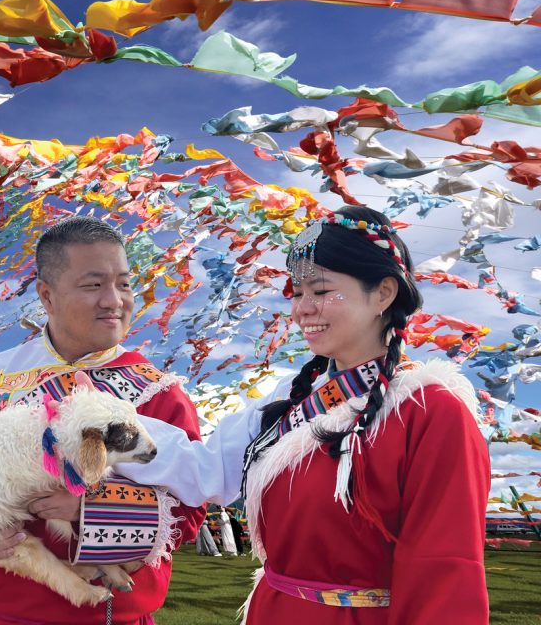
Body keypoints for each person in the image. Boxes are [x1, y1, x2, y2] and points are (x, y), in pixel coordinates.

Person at [117, 205, 490, 623]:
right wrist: (99, 422)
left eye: (322, 290)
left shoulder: (430, 411)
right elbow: (203, 469)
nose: (303, 309)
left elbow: (444, 571)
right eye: (298, 293)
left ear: (383, 294)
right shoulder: (287, 399)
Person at [0, 216, 205, 625]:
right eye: (93, 285)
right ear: (47, 296)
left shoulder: (159, 393)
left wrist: (91, 510)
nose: (114, 300)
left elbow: (190, 510)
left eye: (124, 284)